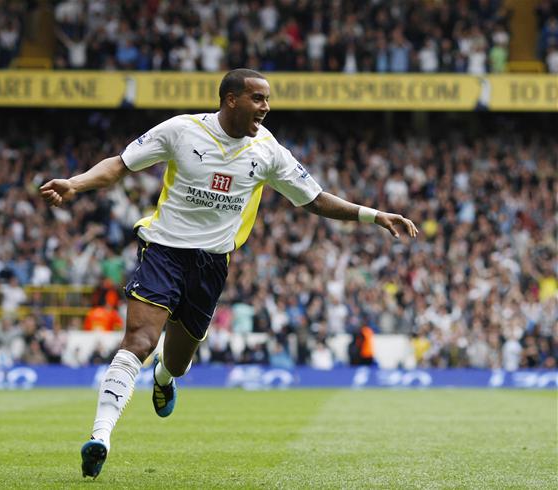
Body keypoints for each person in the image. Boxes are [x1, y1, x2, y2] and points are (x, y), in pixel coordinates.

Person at [40, 68, 418, 479]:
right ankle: (101, 436)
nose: (266, 108)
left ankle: (164, 378)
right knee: (139, 340)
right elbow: (119, 165)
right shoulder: (181, 131)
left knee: (178, 361)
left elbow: (314, 200)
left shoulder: (268, 151)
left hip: (211, 264)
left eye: (268, 100)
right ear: (231, 99)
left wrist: (374, 215)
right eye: (258, 99)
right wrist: (75, 184)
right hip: (163, 250)